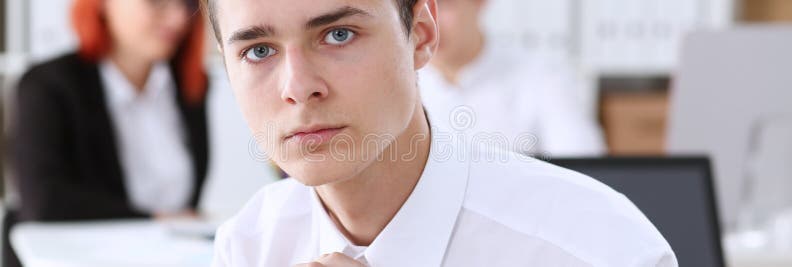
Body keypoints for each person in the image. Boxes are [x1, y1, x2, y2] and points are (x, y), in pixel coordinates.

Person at [201, 0, 676, 266]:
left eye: (338, 34)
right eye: (259, 51)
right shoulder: (248, 247)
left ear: (422, 35)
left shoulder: (595, 248)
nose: (298, 88)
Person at [7, 0, 209, 265]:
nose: (178, 18)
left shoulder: (188, 85)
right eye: (156, 2)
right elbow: (44, 202)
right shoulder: (48, 85)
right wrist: (156, 219)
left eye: (187, 4)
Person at [420, 0, 606, 157]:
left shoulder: (541, 76)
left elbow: (585, 166)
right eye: (419, 7)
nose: (430, 22)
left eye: (443, 4)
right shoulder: (403, 84)